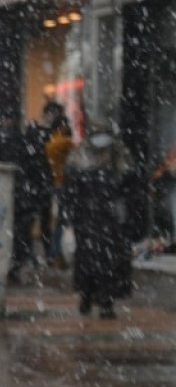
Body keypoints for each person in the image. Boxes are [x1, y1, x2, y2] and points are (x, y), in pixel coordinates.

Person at [63, 123, 144, 319]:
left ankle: (104, 299)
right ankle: (89, 296)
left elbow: (132, 192)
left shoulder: (120, 158)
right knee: (92, 262)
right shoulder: (80, 159)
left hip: (111, 221)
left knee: (108, 263)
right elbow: (70, 192)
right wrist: (69, 217)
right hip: (91, 220)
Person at [0, 111, 53, 284]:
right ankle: (16, 263)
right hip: (23, 197)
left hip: (15, 197)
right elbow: (40, 171)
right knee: (21, 233)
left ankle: (13, 264)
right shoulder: (27, 145)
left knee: (15, 233)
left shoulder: (8, 144)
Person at [44, 112, 75, 269]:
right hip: (64, 185)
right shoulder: (64, 143)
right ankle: (58, 254)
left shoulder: (51, 142)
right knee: (64, 221)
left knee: (58, 221)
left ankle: (54, 254)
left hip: (55, 184)